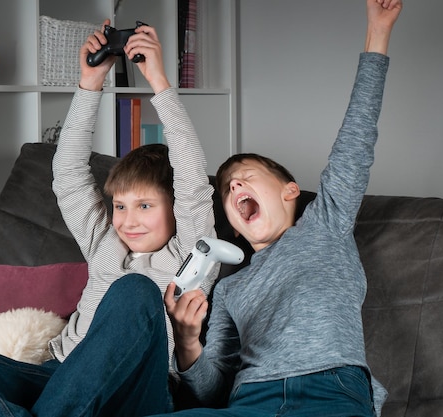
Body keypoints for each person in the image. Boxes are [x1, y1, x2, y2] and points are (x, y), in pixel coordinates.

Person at [0, 22, 216, 417]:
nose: (128, 220)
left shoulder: (191, 257)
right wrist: (90, 83)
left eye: (145, 206)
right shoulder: (105, 244)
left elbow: (191, 179)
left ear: (175, 209)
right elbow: (68, 173)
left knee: (134, 291)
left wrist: (157, 79)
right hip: (59, 377)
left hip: (135, 389)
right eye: (120, 206)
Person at [155, 1, 404, 416]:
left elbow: (355, 144)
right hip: (250, 401)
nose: (234, 185)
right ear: (234, 228)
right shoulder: (231, 288)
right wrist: (186, 340)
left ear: (291, 191)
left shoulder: (325, 224)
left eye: (247, 176)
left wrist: (377, 35)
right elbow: (210, 392)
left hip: (330, 390)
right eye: (227, 190)